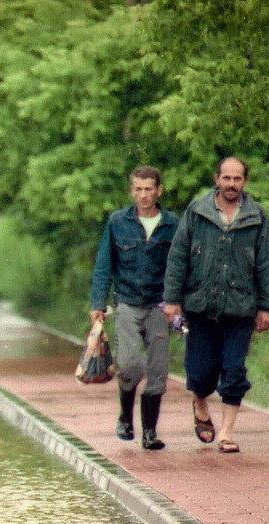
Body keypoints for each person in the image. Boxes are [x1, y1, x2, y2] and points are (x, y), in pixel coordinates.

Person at [163, 156, 269, 453]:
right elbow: (178, 257)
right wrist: (173, 301)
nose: (231, 184)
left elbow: (268, 264)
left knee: (233, 371)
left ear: (245, 182)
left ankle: (227, 433)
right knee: (200, 373)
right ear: (217, 179)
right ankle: (200, 405)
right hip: (201, 306)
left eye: (237, 179)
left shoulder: (257, 216)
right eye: (226, 178)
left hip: (240, 308)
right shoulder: (198, 211)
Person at [91, 166, 180, 450]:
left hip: (159, 305)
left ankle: (150, 432)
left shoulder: (172, 224)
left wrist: (177, 303)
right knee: (129, 365)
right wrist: (98, 303)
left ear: (159, 191)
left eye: (148, 189)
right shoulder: (118, 222)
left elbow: (179, 266)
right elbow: (104, 265)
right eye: (138, 189)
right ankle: (126, 417)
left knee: (158, 370)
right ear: (132, 191)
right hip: (127, 303)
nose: (143, 195)